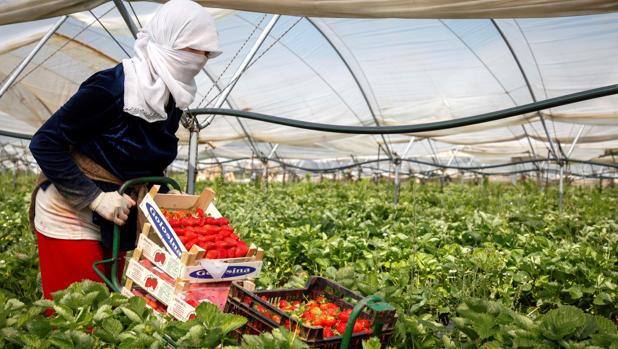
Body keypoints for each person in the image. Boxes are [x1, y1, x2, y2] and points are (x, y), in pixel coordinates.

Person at [28, 0, 222, 300]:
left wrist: (169, 200)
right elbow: (45, 143)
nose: (202, 60)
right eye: (194, 50)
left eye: (207, 54)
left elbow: (145, 159)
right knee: (79, 313)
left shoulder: (170, 97)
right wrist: (95, 198)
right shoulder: (112, 87)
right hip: (70, 210)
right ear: (169, 42)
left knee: (108, 308)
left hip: (116, 216)